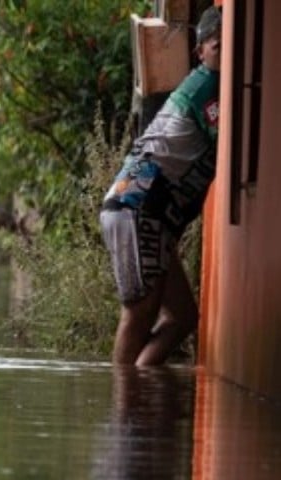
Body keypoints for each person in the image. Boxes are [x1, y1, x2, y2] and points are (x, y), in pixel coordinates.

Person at [100, 6, 221, 366]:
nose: (227, 55)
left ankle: (139, 385)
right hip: (139, 205)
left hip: (139, 206)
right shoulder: (209, 86)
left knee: (181, 317)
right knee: (140, 312)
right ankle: (124, 394)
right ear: (200, 51)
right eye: (218, 46)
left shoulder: (210, 83)